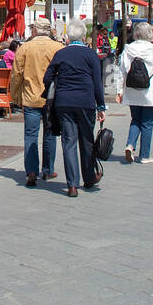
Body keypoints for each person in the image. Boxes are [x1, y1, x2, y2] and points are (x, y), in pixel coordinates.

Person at [42, 19, 105, 197]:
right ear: (83, 36)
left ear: (69, 36)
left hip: (64, 101)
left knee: (68, 142)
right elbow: (97, 83)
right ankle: (89, 177)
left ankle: (72, 185)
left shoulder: (61, 54)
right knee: (87, 140)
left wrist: (56, 84)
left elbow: (47, 77)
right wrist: (101, 105)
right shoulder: (91, 54)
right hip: (86, 101)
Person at [13, 18, 62, 186]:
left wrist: (15, 95)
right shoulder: (58, 47)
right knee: (50, 134)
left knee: (30, 135)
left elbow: (16, 74)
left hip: (31, 97)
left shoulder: (25, 48)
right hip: (51, 97)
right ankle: (48, 170)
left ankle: (31, 171)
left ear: (35, 30)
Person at [118, 22, 153, 164]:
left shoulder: (128, 49)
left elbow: (121, 71)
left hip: (132, 89)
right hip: (149, 91)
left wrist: (119, 90)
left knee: (135, 119)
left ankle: (130, 144)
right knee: (147, 123)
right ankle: (145, 155)